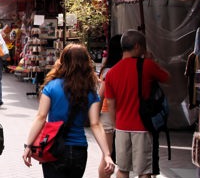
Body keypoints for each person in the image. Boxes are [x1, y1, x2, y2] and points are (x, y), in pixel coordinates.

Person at [22, 44, 115, 177]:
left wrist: (28, 146)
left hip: (54, 148)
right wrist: (106, 154)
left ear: (62, 61)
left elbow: (41, 117)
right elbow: (95, 124)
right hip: (79, 150)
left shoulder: (51, 87)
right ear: (85, 63)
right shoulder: (90, 91)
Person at [105, 30, 170, 178]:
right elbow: (167, 78)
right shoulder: (148, 66)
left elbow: (111, 104)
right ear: (137, 46)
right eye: (144, 46)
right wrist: (153, 61)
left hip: (121, 127)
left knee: (122, 169)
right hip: (143, 127)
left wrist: (116, 125)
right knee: (144, 171)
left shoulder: (112, 72)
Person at [98, 34, 123, 178]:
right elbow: (101, 94)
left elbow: (100, 96)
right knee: (109, 156)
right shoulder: (111, 71)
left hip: (107, 114)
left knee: (107, 155)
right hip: (114, 114)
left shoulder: (106, 69)